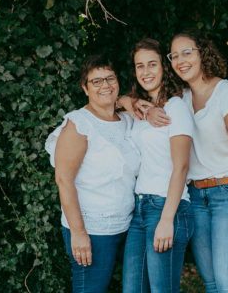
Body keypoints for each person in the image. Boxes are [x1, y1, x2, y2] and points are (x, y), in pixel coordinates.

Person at [167, 30, 228, 293]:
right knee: (212, 284)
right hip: (197, 198)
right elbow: (143, 97)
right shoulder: (180, 98)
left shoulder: (226, 94)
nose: (180, 60)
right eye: (174, 55)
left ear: (202, 53)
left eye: (187, 52)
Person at [44, 54, 140, 293]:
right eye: (96, 81)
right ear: (85, 88)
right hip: (93, 229)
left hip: (129, 224)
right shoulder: (79, 124)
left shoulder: (128, 119)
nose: (105, 85)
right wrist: (78, 233)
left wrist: (128, 101)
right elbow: (63, 180)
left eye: (109, 78)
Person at [119, 38, 194, 293]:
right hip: (140, 210)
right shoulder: (142, 110)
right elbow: (116, 102)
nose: (146, 72)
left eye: (152, 64)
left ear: (164, 66)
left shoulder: (176, 107)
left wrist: (166, 220)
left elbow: (181, 167)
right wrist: (131, 102)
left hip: (167, 207)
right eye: (140, 66)